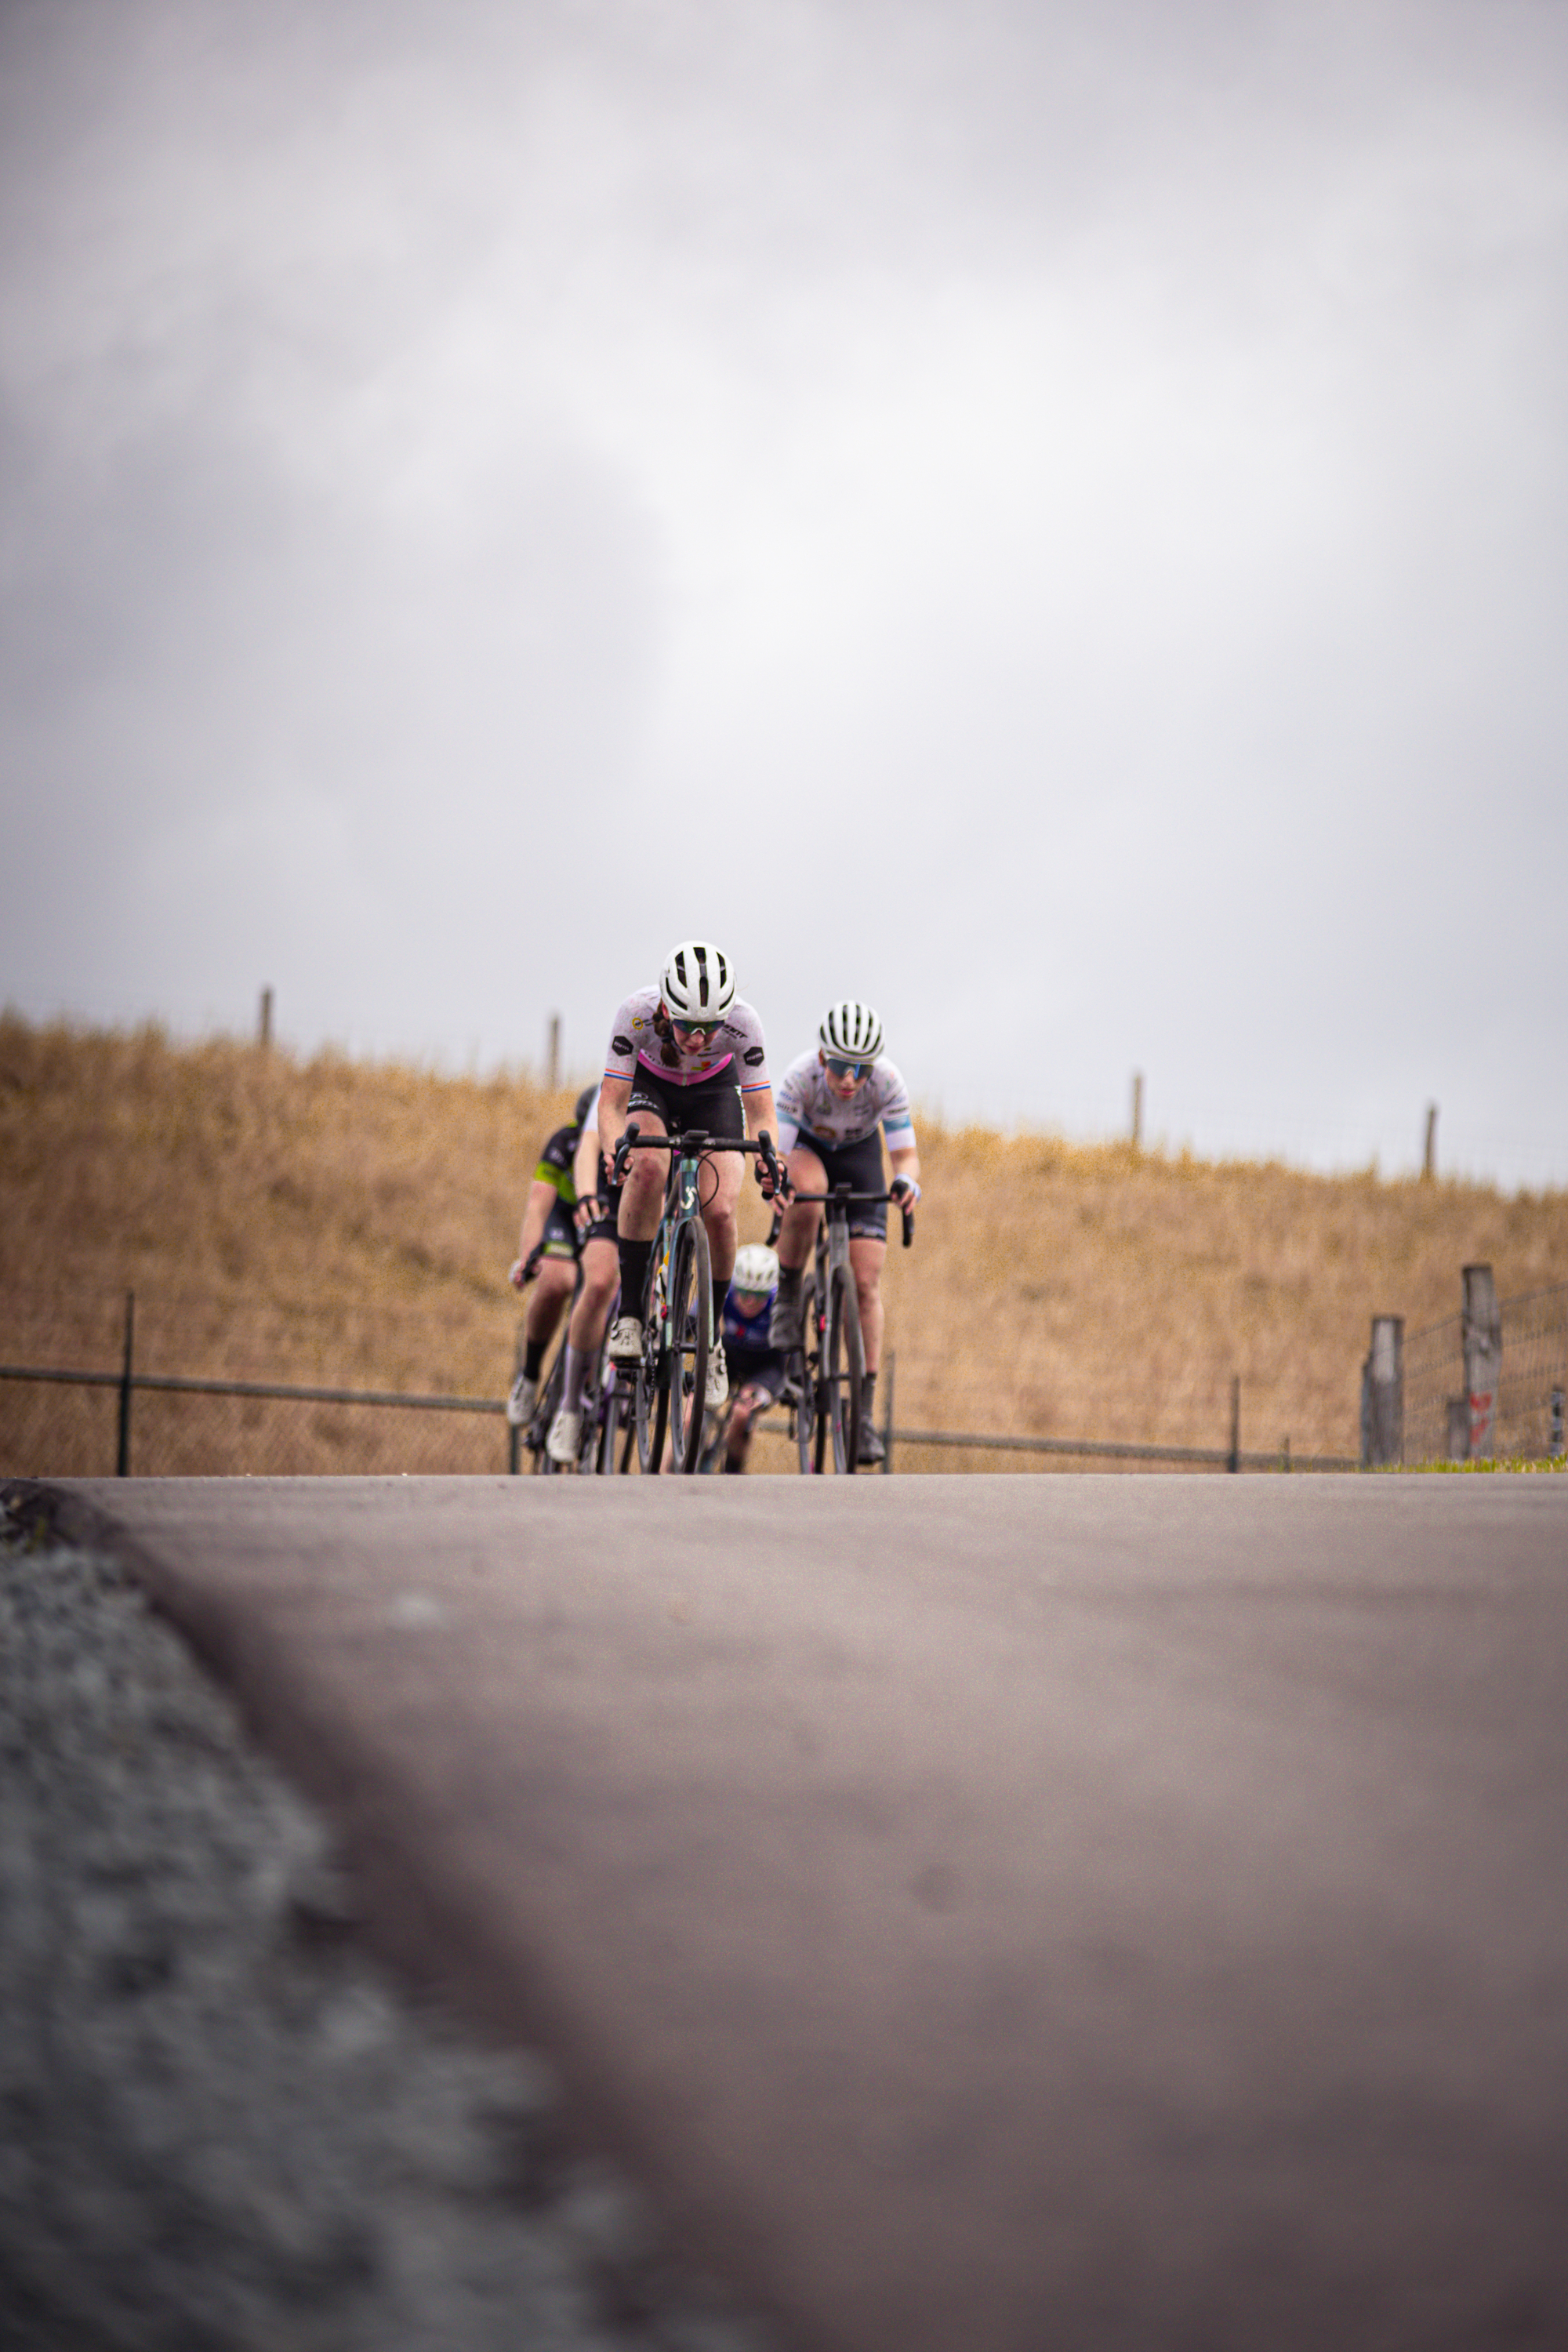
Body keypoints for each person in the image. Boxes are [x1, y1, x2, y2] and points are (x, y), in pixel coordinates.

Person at [597, 940, 782, 1414]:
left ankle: (711, 1339)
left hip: (713, 1094)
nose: (698, 1039)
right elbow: (612, 1105)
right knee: (650, 1167)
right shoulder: (635, 1014)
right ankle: (632, 1318)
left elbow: (761, 1114)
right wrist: (615, 1151)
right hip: (651, 1088)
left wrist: (768, 1158)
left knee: (719, 1210)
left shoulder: (745, 1024)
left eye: (709, 1028)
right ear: (664, 1006)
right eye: (686, 1026)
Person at [769, 999, 919, 1465]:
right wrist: (778, 1187)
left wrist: (907, 1184)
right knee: (806, 1188)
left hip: (858, 1154)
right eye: (839, 1067)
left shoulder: (889, 1082)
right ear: (821, 1059)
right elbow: (779, 1151)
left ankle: (865, 1414)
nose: (850, 1079)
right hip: (809, 1149)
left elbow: (904, 1156)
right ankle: (791, 1293)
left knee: (867, 1280)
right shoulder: (799, 1079)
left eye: (860, 1068)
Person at [506, 1083, 601, 1429]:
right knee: (559, 1281)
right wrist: (529, 1257)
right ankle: (529, 1378)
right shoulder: (565, 1142)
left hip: (602, 1223)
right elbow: (538, 1204)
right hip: (564, 1219)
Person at [543, 1106, 624, 1467]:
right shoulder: (624, 1070)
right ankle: (570, 1404)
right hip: (612, 1187)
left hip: (661, 1185)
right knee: (600, 1281)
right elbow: (590, 1144)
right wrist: (588, 1194)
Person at [710, 1243, 789, 1473]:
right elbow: (690, 1323)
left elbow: (793, 1352)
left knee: (742, 1412)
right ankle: (667, 1472)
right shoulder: (724, 1293)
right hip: (730, 1356)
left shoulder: (779, 1307)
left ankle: (733, 1470)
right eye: (744, 1294)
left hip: (766, 1366)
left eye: (760, 1296)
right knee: (693, 1407)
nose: (750, 1302)